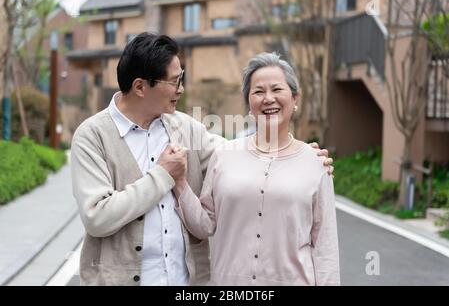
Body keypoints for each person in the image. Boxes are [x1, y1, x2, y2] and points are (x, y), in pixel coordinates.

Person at [70, 32, 334, 286]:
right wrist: (163, 175)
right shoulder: (93, 136)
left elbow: (240, 157)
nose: (181, 89)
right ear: (140, 86)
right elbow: (97, 217)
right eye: (174, 82)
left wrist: (297, 156)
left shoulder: (185, 128)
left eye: (181, 78)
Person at [173, 52, 340, 286]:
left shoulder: (316, 163)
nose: (268, 98)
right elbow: (204, 224)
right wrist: (179, 183)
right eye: (258, 91)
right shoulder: (224, 156)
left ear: (295, 99)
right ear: (249, 105)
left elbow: (325, 249)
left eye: (277, 90)